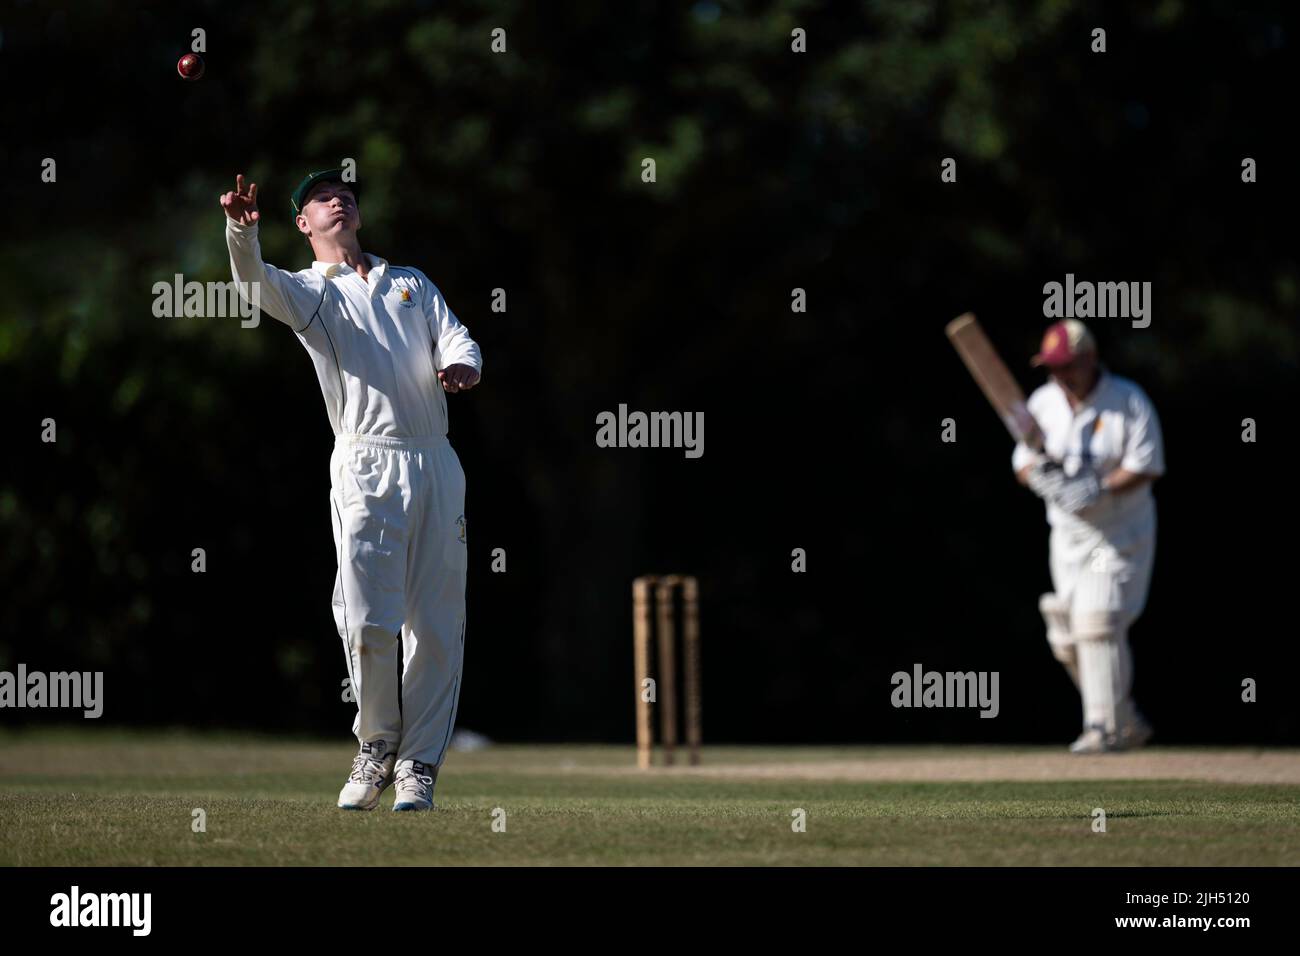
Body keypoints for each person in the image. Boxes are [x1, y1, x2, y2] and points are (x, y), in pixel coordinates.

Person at [220, 170, 482, 808]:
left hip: (434, 461)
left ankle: (417, 766)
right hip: (365, 463)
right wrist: (240, 231)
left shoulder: (411, 282)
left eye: (345, 193)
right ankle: (375, 748)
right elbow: (251, 284)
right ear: (304, 224)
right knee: (366, 615)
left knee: (437, 623)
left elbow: (457, 335)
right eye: (320, 198)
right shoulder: (311, 293)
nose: (338, 199)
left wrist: (461, 364)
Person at [1013, 320, 1163, 754]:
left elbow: (1147, 464)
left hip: (1118, 534)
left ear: (1090, 359)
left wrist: (1100, 487)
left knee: (1098, 621)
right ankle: (1126, 717)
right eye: (1053, 368)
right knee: (1065, 634)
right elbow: (1023, 460)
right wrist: (1042, 479)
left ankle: (1104, 727)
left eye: (1068, 367)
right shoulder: (1041, 403)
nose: (1060, 377)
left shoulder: (1128, 401)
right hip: (1067, 536)